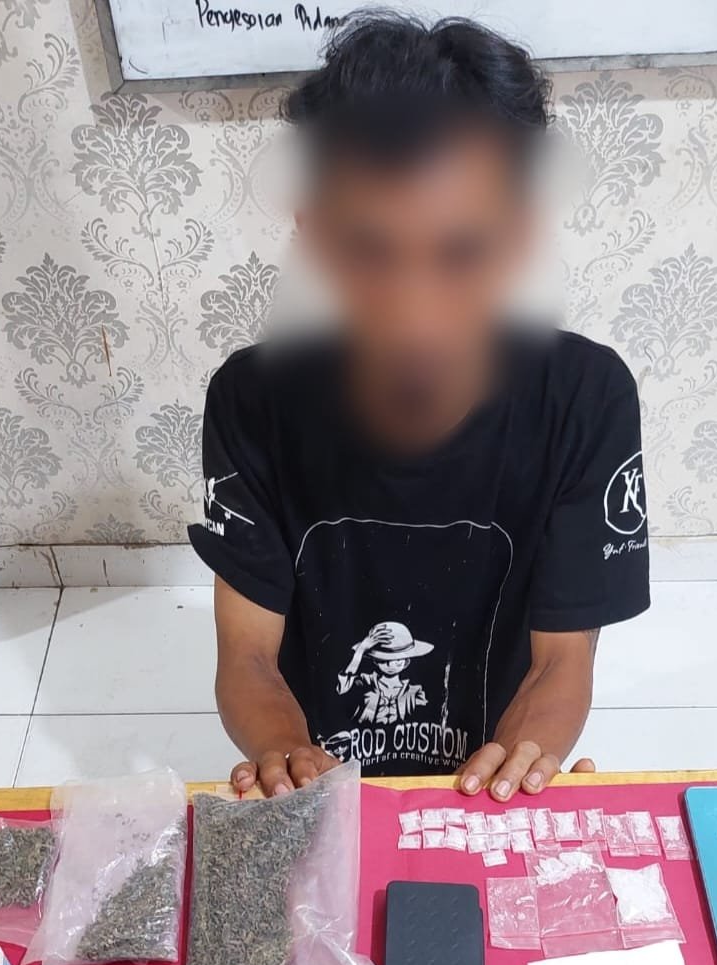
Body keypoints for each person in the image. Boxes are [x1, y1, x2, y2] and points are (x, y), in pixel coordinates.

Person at [189, 11, 650, 798]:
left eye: (461, 252)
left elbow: (562, 659)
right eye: (370, 250)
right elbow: (248, 654)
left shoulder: (585, 397)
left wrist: (522, 758)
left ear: (519, 236)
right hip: (322, 763)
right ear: (315, 235)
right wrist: (284, 755)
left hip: (483, 762)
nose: (415, 320)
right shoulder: (251, 400)